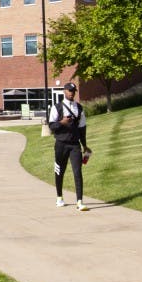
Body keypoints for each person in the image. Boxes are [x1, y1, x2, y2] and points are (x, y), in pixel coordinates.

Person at [48, 82, 90, 211]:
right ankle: (59, 197)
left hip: (74, 145)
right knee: (60, 171)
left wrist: (85, 146)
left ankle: (79, 202)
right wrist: (62, 122)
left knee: (78, 172)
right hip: (61, 144)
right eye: (69, 90)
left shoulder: (79, 108)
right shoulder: (57, 108)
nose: (72, 93)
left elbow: (82, 129)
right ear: (64, 92)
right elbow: (51, 126)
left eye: (73, 91)